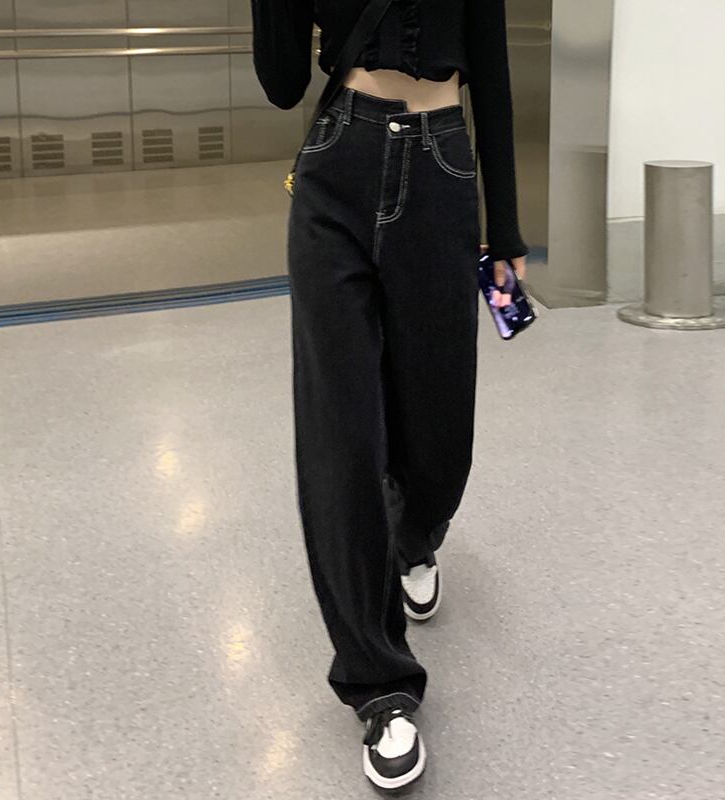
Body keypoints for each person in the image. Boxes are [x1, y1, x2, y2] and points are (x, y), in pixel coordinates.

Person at [250, 0, 528, 789]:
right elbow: (280, 83)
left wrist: (506, 229)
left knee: (440, 435)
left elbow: (493, 75)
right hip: (337, 165)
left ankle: (414, 533)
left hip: (441, 167)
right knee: (341, 436)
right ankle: (379, 684)